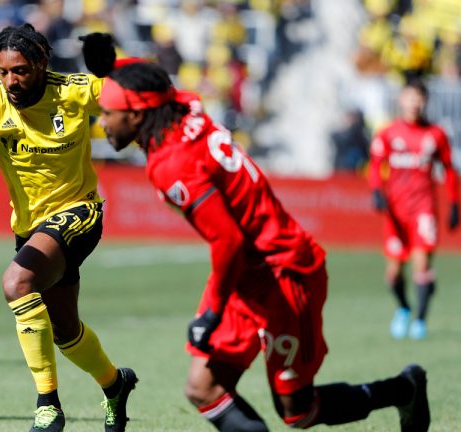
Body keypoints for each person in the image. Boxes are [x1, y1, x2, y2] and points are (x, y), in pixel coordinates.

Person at [97, 59, 430, 431]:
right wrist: (112, 64)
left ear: (139, 114)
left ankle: (404, 389)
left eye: (108, 113)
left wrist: (212, 313)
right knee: (203, 388)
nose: (102, 122)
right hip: (246, 274)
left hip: (284, 274)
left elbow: (229, 239)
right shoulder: (187, 107)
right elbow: (159, 83)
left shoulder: (171, 164)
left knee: (298, 412)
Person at [0, 23, 137, 432]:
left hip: (80, 212)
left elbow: (134, 92)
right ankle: (115, 384)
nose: (10, 81)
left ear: (42, 63)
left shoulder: (74, 90)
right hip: (31, 228)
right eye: (3, 71)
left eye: (20, 70)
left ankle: (48, 405)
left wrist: (116, 66)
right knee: (66, 332)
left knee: (16, 282)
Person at [369, 80, 459, 340]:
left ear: (425, 101)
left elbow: (449, 170)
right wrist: (376, 191)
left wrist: (455, 203)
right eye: (410, 97)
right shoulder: (388, 133)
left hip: (424, 209)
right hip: (396, 212)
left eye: (419, 98)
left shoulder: (436, 135)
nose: (414, 103)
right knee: (394, 272)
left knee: (422, 265)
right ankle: (404, 308)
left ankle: (420, 319)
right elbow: (376, 165)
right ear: (401, 100)